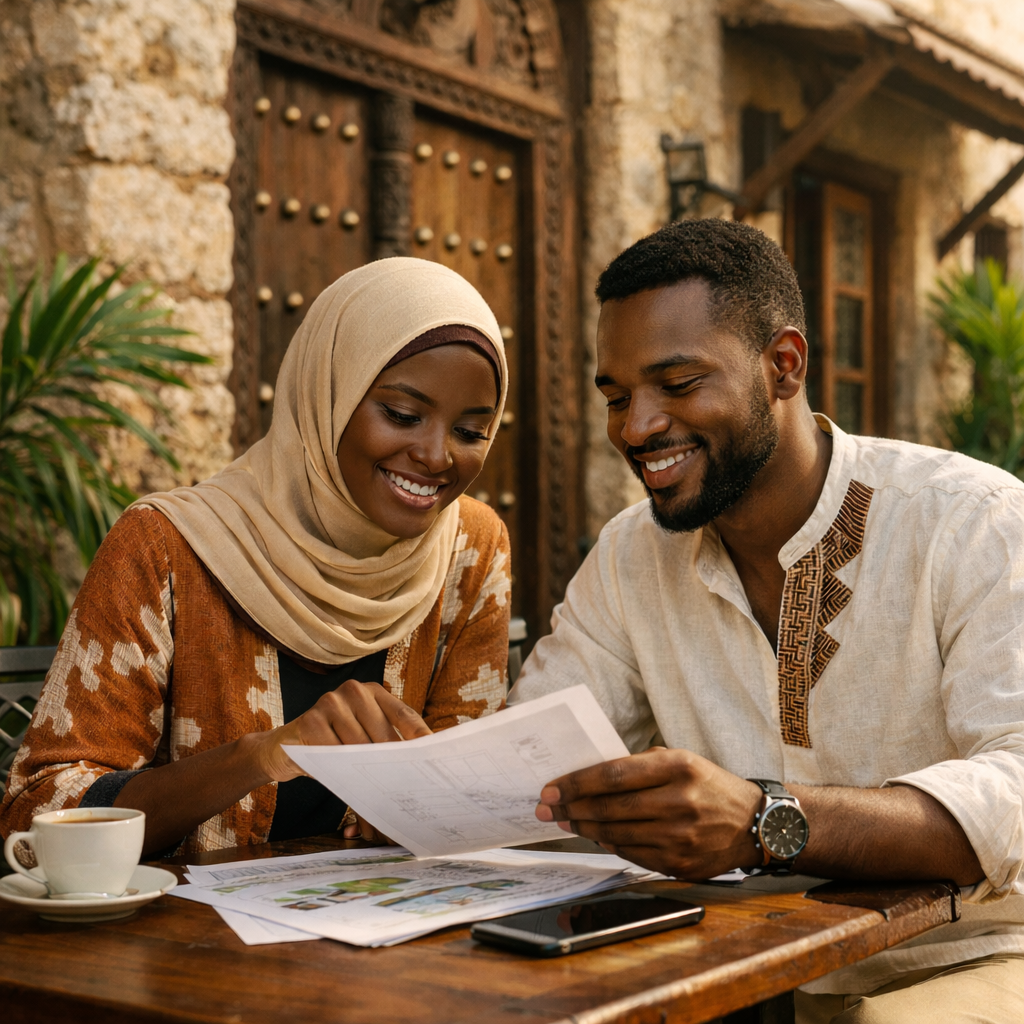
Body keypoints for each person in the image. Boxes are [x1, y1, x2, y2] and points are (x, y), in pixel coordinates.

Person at [509, 219, 1024, 1022]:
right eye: (616, 396)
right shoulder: (629, 555)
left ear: (783, 366)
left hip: (974, 955)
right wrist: (413, 790)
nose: (635, 428)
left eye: (677, 385)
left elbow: (1016, 787)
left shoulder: (970, 521)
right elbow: (531, 751)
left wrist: (766, 819)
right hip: (737, 969)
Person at [0, 258, 512, 857]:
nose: (436, 455)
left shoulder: (469, 548)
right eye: (402, 415)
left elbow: (467, 785)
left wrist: (436, 804)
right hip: (180, 942)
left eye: (472, 432)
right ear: (326, 395)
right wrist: (260, 756)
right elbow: (37, 814)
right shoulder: (167, 547)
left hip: (386, 932)